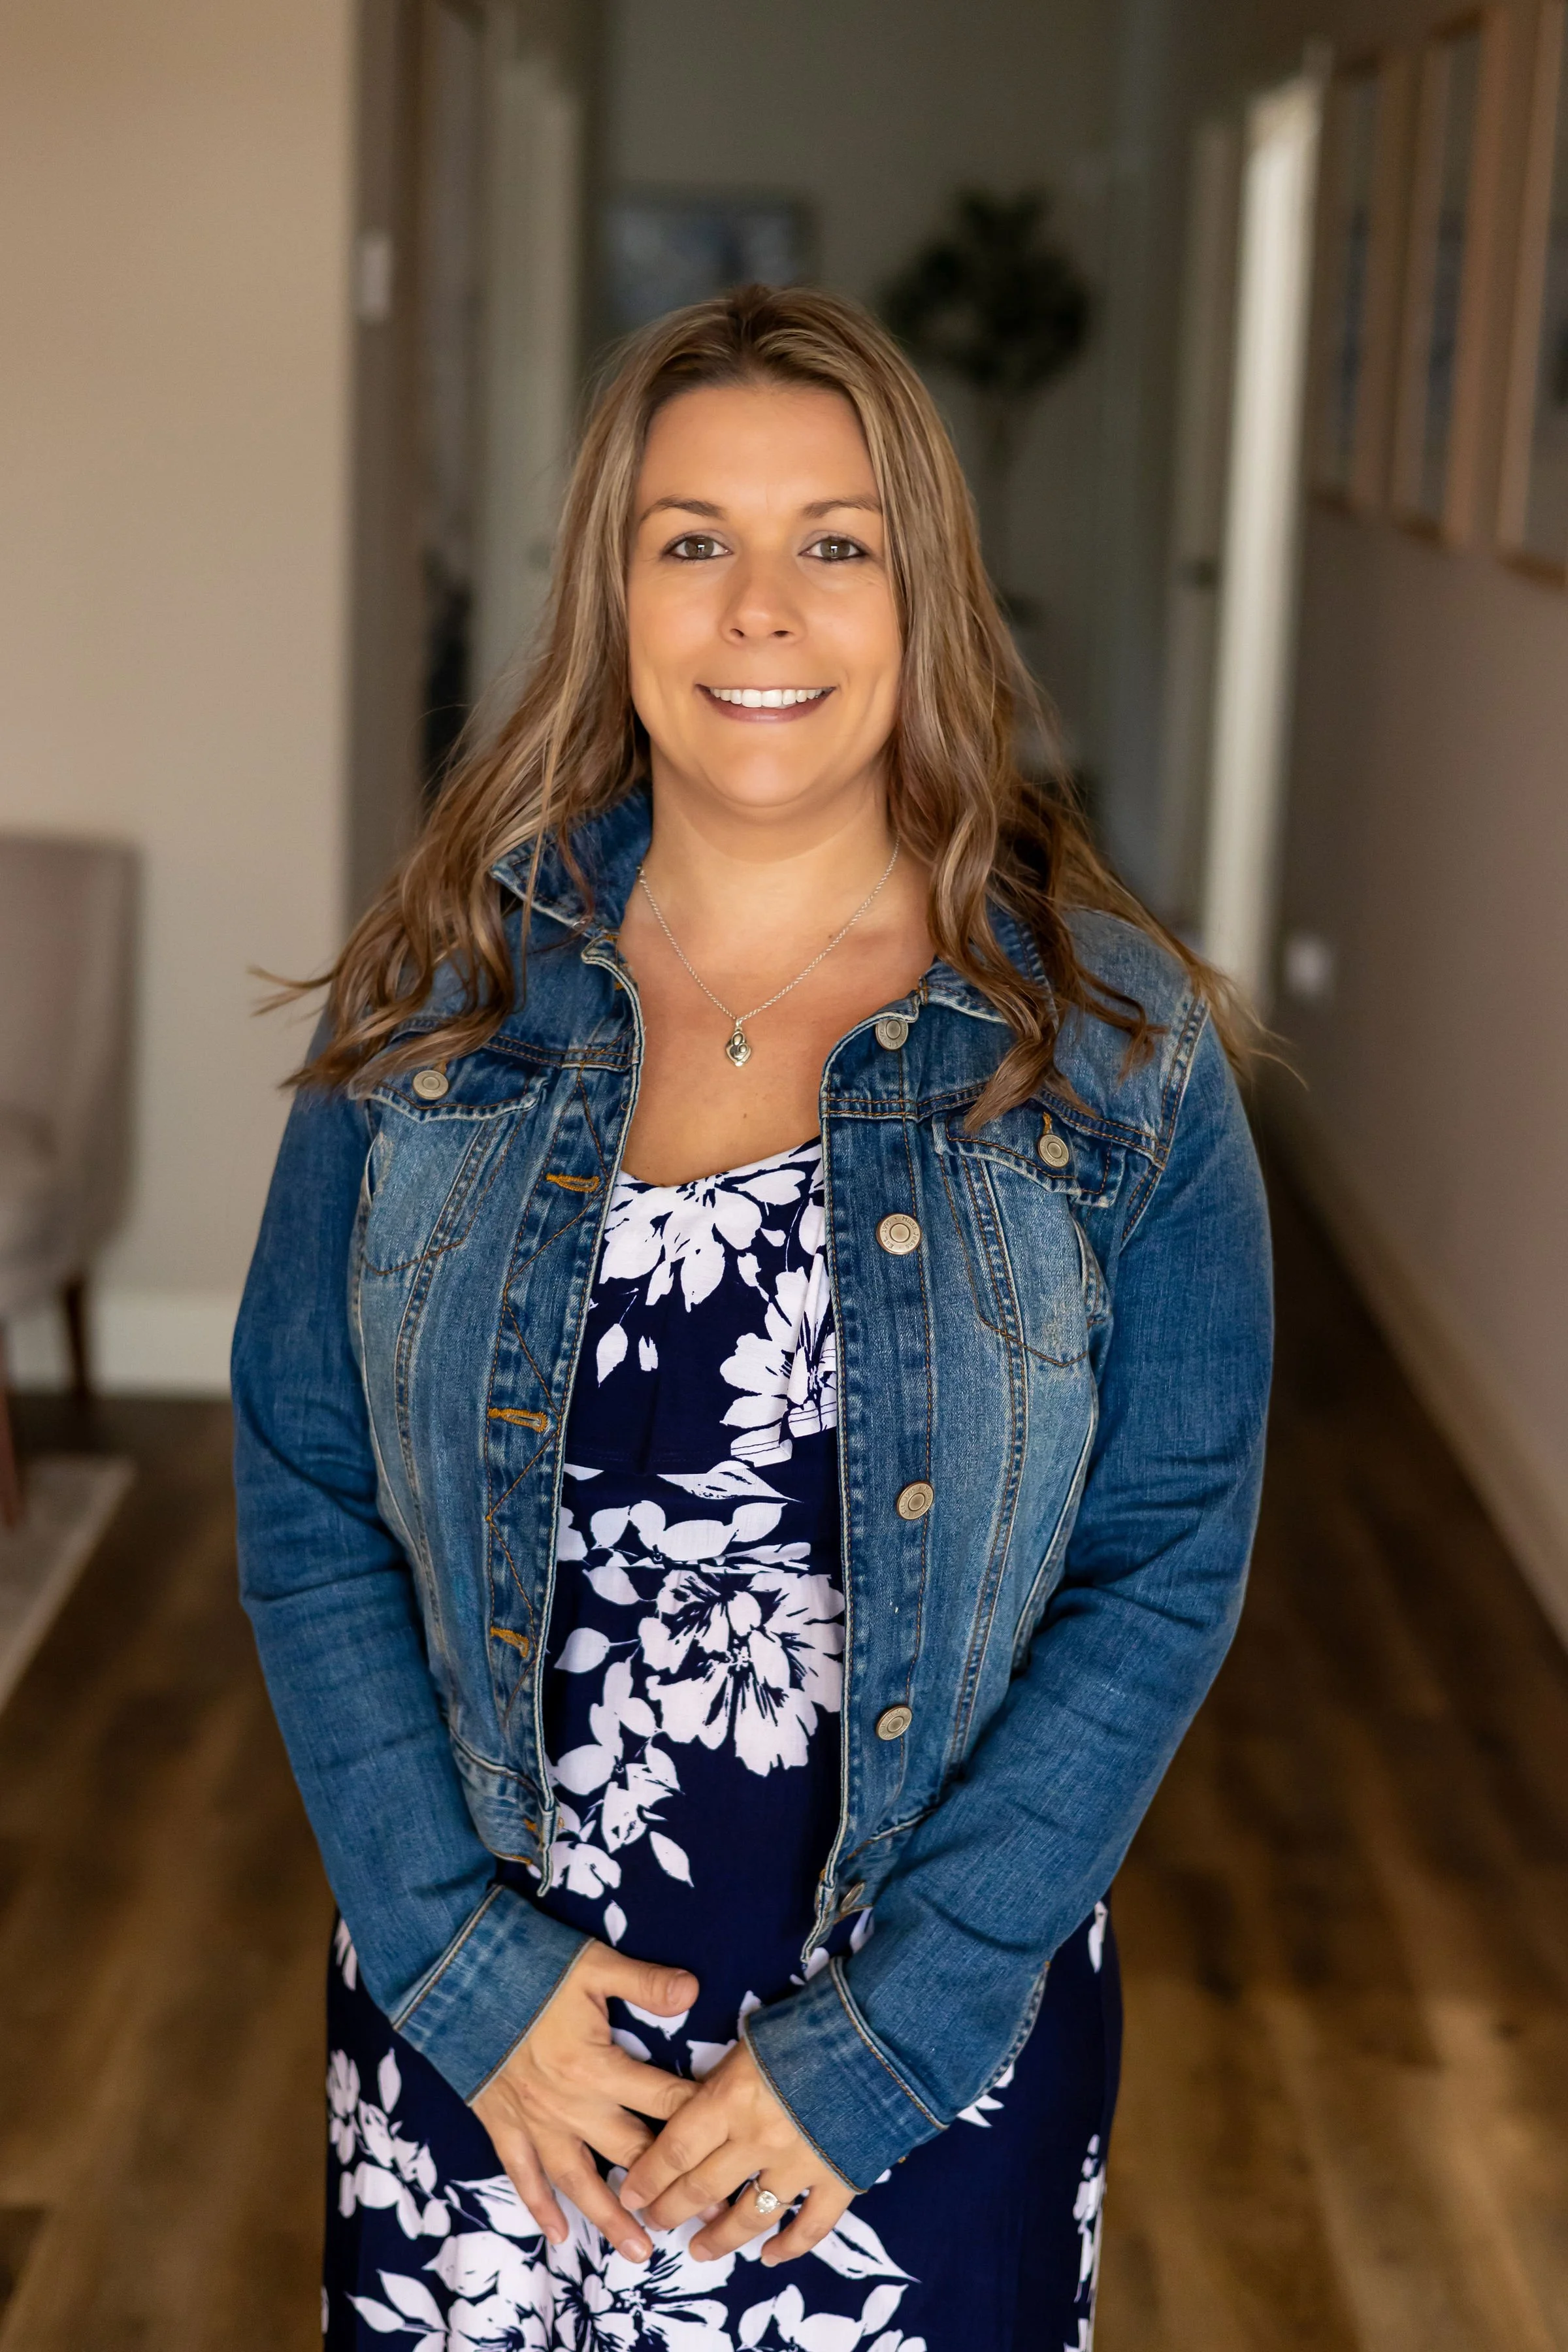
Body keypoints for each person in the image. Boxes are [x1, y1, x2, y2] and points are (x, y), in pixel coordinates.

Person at [233, 283, 1271, 2349]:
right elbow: (303, 1489)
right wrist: (457, 1971)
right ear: (614, 599)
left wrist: (889, 2044)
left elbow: (1161, 1570)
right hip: (486, 2056)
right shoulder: (441, 1003)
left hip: (919, 2081)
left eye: (838, 542)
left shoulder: (1115, 1047)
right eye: (693, 540)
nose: (761, 609)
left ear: (928, 599)